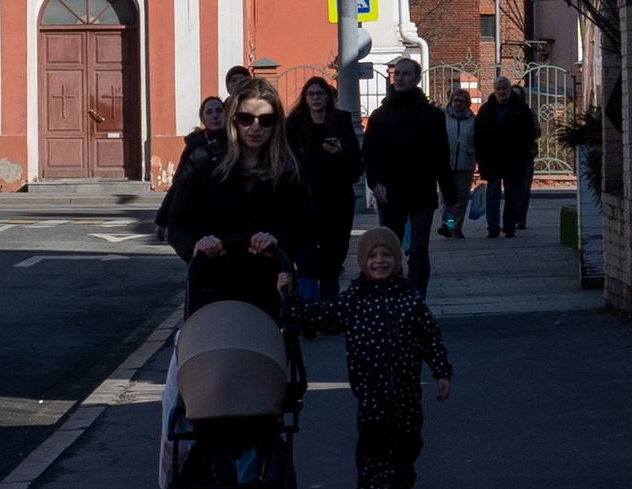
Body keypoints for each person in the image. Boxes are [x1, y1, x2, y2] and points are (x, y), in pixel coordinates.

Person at [160, 81, 316, 308]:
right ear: (233, 120)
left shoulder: (290, 166)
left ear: (275, 124)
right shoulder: (203, 161)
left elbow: (307, 224)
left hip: (268, 284)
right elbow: (178, 223)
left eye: (265, 120)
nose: (255, 127)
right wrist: (197, 245)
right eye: (246, 119)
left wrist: (278, 242)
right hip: (212, 283)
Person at [339, 224, 453, 489]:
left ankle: (400, 487)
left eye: (387, 255)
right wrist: (289, 298)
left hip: (406, 392)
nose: (380, 261)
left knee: (407, 444)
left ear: (397, 260)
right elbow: (321, 315)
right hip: (371, 393)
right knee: (372, 446)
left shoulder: (410, 300)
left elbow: (431, 338)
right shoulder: (353, 300)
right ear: (363, 262)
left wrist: (441, 371)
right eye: (373, 256)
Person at [359, 53, 447, 289]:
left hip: (422, 192)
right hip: (390, 193)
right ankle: (394, 293)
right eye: (397, 74)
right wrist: (375, 183)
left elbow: (441, 156)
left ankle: (416, 298)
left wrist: (451, 195)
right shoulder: (380, 116)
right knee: (390, 249)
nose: (399, 78)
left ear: (417, 78)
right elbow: (370, 154)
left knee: (418, 249)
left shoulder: (433, 116)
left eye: (406, 74)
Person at [287, 73, 362, 322]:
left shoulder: (340, 121)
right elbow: (287, 162)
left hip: (336, 200)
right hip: (304, 200)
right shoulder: (294, 124)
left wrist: (340, 153)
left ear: (329, 97)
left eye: (320, 94)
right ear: (305, 98)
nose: (316, 98)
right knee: (307, 257)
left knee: (333, 256)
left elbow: (356, 167)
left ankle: (330, 312)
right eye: (311, 94)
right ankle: (307, 312)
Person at [154, 94, 228, 249]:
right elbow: (179, 183)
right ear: (202, 118)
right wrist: (162, 219)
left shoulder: (235, 143)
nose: (214, 115)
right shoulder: (195, 146)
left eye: (218, 111)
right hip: (199, 219)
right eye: (209, 112)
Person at [473, 77, 537, 241]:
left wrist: (523, 153)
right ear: (494, 90)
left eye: (504, 89)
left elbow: (529, 133)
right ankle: (493, 227)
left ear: (509, 90)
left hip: (514, 159)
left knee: (512, 195)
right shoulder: (486, 109)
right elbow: (478, 136)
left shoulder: (520, 109)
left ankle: (509, 226)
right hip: (492, 160)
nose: (501, 92)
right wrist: (480, 159)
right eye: (498, 89)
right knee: (492, 194)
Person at [438, 82, 477, 241]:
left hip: (465, 163)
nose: (458, 104)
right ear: (450, 101)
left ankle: (455, 228)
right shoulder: (442, 116)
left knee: (461, 200)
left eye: (461, 101)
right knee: (446, 199)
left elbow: (477, 140)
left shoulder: (472, 120)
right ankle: (447, 225)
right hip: (445, 164)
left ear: (467, 103)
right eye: (455, 100)